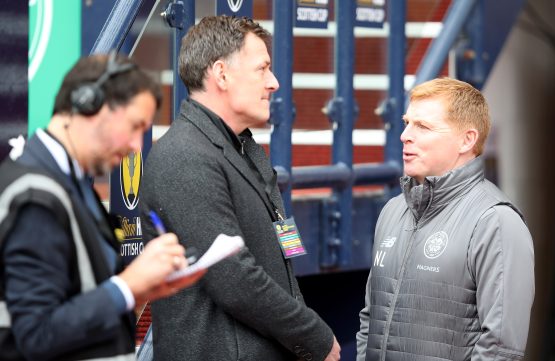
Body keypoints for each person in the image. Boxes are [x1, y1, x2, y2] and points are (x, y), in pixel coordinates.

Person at [140, 15, 341, 361]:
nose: (274, 83)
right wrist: (314, 337)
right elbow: (232, 278)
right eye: (262, 69)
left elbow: (280, 256)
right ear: (221, 74)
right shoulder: (184, 156)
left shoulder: (242, 148)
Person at [0, 52, 203, 361]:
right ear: (88, 103)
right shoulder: (35, 197)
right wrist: (127, 285)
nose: (137, 146)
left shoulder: (71, 184)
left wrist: (140, 290)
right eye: (135, 126)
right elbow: (37, 334)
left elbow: (80, 299)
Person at [356, 77, 535, 360]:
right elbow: (370, 318)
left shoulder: (496, 221)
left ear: (467, 140)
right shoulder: (392, 210)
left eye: (423, 126)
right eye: (407, 123)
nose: (405, 136)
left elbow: (500, 349)